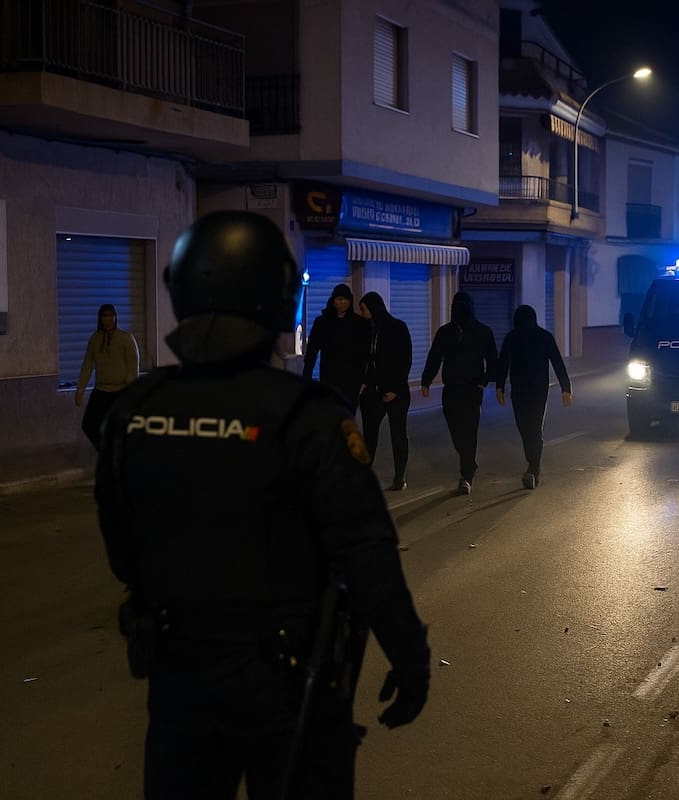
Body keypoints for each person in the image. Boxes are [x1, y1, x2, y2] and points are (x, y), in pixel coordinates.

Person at [94, 211, 429, 800]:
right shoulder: (310, 417)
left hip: (180, 681)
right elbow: (367, 552)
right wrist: (408, 654)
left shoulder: (133, 414)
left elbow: (122, 551)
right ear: (275, 299)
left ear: (181, 291)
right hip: (290, 687)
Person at [421, 291, 498, 495]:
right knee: (456, 431)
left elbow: (492, 361)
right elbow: (435, 356)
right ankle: (469, 461)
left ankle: (466, 475)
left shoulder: (483, 331)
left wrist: (484, 381)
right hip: (451, 389)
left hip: (472, 389)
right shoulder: (446, 332)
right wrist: (426, 380)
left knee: (469, 431)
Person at [495, 304, 573, 489]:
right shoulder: (523, 337)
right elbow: (504, 363)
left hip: (525, 391)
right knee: (530, 428)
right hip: (533, 390)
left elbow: (556, 361)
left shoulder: (523, 337)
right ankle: (533, 464)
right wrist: (566, 388)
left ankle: (533, 467)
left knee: (529, 427)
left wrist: (500, 386)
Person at [357, 291, 413, 490]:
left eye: (364, 310)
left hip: (396, 392)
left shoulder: (397, 327)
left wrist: (395, 388)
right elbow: (365, 361)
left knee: (398, 434)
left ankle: (400, 477)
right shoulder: (368, 330)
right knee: (370, 434)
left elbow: (405, 360)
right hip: (374, 391)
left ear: (373, 308)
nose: (362, 313)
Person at [75, 303, 140, 449]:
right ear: (100, 318)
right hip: (101, 391)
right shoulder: (95, 339)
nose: (108, 319)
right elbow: (87, 364)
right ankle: (107, 453)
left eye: (111, 315)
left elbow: (133, 367)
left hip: (121, 391)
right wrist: (80, 389)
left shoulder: (126, 339)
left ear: (116, 317)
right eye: (104, 315)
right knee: (89, 425)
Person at [303, 282, 369, 408]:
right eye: (339, 299)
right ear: (333, 300)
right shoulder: (322, 322)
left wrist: (364, 379)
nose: (343, 302)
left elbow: (364, 353)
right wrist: (307, 376)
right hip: (329, 376)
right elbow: (312, 351)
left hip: (351, 379)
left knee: (348, 414)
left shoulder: (358, 323)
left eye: (346, 300)